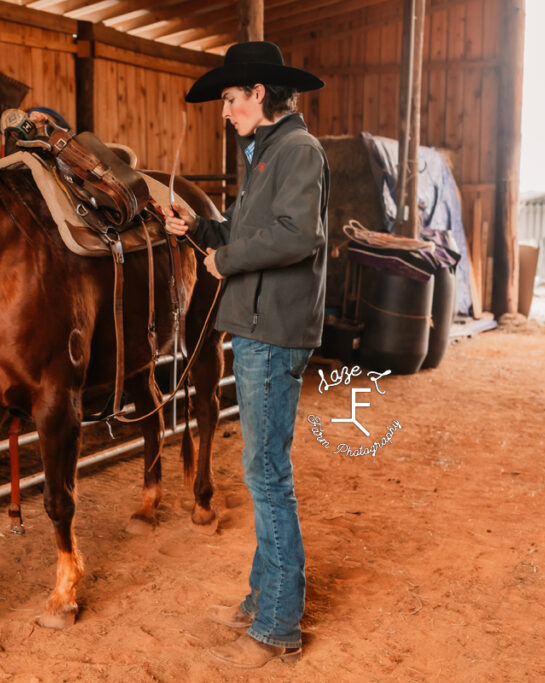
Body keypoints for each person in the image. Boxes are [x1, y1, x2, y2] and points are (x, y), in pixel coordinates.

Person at [163, 41, 329, 669]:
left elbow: (297, 235)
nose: (225, 110)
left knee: (265, 474)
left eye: (231, 98)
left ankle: (281, 621)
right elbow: (241, 232)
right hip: (260, 324)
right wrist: (198, 230)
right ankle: (266, 594)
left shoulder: (298, 152)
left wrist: (224, 259)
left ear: (259, 93)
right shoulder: (265, 154)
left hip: (275, 328)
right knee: (264, 469)